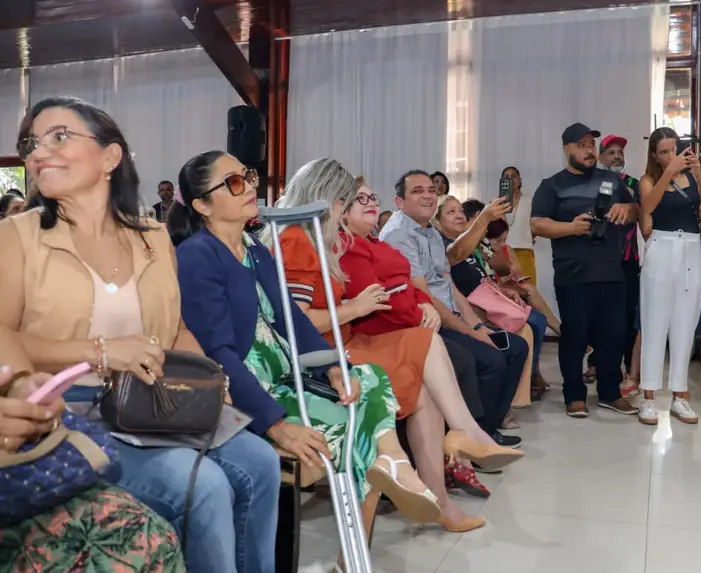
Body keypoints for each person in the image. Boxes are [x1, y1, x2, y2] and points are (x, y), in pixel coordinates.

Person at [0, 97, 281, 573]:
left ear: (110, 156)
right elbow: (3, 336)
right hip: (72, 412)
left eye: (59, 136)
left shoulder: (153, 237)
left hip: (153, 402)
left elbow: (176, 327)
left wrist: (209, 378)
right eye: (31, 143)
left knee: (260, 462)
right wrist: (102, 352)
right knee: (202, 486)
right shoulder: (17, 237)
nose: (39, 151)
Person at [169, 151, 444, 565]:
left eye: (247, 176)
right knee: (361, 430)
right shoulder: (197, 256)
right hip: (246, 394)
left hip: (285, 376)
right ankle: (385, 478)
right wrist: (276, 426)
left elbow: (291, 318)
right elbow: (219, 355)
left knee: (365, 378)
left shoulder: (253, 249)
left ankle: (392, 464)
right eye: (233, 183)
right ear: (202, 205)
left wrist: (332, 366)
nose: (249, 187)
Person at [267, 162, 524, 527]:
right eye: (344, 201)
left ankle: (445, 488)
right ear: (325, 199)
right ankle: (462, 444)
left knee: (425, 379)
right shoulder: (297, 239)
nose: (344, 209)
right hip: (323, 354)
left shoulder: (315, 238)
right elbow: (296, 323)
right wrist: (355, 308)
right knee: (427, 349)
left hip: (342, 339)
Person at [0, 325, 187, 572]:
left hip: (22, 472)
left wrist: (20, 387)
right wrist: (99, 352)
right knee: (203, 485)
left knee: (151, 537)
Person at [380, 170, 527, 447]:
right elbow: (424, 296)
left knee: (516, 347)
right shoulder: (399, 234)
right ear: (399, 202)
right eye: (417, 191)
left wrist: (477, 326)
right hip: (427, 323)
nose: (427, 195)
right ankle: (473, 441)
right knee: (490, 360)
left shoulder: (430, 231)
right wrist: (470, 332)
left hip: (450, 315)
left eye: (430, 190)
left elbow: (449, 287)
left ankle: (488, 427)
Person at [530, 122, 639, 419]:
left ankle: (610, 393)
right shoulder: (552, 185)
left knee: (613, 336)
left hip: (612, 273)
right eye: (581, 145)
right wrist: (571, 228)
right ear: (566, 149)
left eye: (591, 145)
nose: (588, 150)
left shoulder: (611, 180)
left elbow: (635, 210)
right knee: (575, 337)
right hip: (573, 276)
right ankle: (574, 396)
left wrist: (626, 210)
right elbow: (537, 223)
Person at [637, 128, 701, 425]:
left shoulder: (694, 177)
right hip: (661, 247)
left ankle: (680, 396)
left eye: (675, 149)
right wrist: (668, 174)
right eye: (664, 152)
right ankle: (648, 397)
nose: (672, 155)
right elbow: (648, 207)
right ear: (655, 155)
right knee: (654, 323)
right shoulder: (648, 180)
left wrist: (700, 176)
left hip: (692, 249)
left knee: (685, 324)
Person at [438, 196, 548, 410]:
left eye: (460, 211)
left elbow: (488, 276)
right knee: (526, 328)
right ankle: (508, 402)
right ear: (437, 220)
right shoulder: (448, 247)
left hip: (482, 303)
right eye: (451, 212)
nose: (459, 216)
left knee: (535, 320)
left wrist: (502, 290)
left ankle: (517, 395)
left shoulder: (473, 248)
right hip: (470, 309)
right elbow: (456, 285)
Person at [598, 135, 641, 394]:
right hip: (599, 262)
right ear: (601, 157)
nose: (616, 156)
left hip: (628, 261)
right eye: (611, 152)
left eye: (620, 152)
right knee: (599, 318)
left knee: (627, 318)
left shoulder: (635, 185)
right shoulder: (594, 183)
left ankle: (627, 370)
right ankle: (598, 365)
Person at [500, 166, 540, 286]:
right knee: (506, 290)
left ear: (519, 180)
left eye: (513, 176)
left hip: (524, 251)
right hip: (501, 253)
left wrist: (527, 237)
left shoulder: (530, 201)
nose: (510, 179)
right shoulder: (496, 203)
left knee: (528, 289)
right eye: (506, 177)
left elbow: (536, 225)